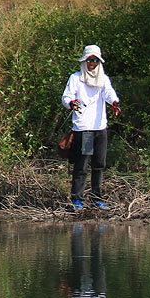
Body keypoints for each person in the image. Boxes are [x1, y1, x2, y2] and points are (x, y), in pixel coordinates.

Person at [61, 44, 121, 211]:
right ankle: (77, 200)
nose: (92, 63)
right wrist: (71, 103)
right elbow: (66, 97)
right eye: (89, 60)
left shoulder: (103, 79)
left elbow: (109, 93)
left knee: (99, 164)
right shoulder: (76, 78)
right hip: (84, 129)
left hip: (100, 128)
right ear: (84, 61)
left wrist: (115, 103)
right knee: (82, 164)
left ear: (99, 62)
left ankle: (97, 199)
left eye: (95, 60)